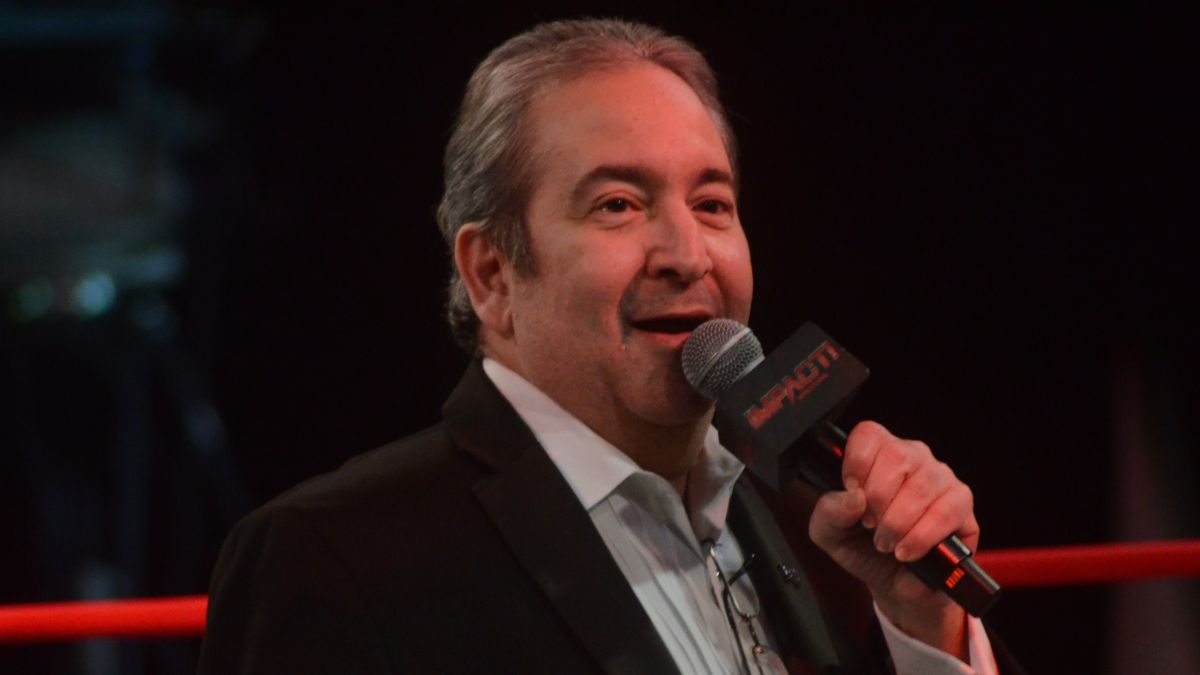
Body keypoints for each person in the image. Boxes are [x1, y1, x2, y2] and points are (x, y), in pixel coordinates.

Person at [199, 18, 1024, 674]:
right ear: (490, 273)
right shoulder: (335, 556)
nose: (686, 252)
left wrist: (928, 629)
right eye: (618, 205)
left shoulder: (827, 530)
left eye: (712, 203)